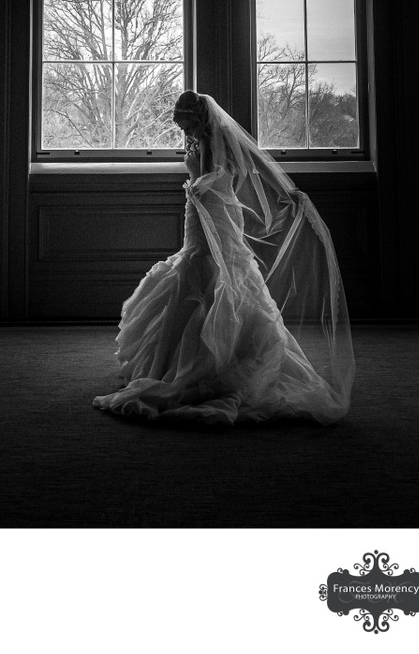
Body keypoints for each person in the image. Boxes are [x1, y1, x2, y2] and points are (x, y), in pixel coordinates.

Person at [93, 90, 355, 426]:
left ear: (199, 118)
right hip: (198, 214)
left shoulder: (221, 140)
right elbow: (201, 176)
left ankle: (219, 361)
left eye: (186, 124)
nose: (183, 131)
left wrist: (289, 192)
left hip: (216, 213)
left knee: (217, 273)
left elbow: (252, 163)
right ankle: (175, 358)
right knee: (195, 271)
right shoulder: (197, 141)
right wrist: (197, 188)